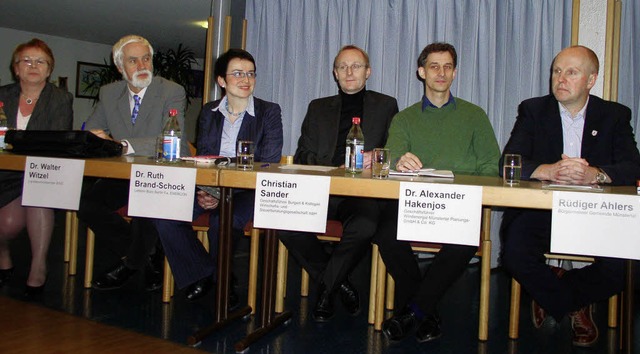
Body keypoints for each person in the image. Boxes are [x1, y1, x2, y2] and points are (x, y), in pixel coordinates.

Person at [500, 45, 640, 347]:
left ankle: (554, 291)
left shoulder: (614, 115)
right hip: (542, 211)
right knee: (513, 253)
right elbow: (509, 162)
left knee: (627, 265)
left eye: (571, 72)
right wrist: (548, 170)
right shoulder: (534, 110)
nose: (560, 79)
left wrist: (596, 174)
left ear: (591, 80)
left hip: (596, 214)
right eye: (556, 71)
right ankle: (574, 304)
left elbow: (632, 166)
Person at [376, 42, 500, 342]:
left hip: (460, 204)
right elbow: (390, 158)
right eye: (434, 66)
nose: (441, 73)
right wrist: (399, 161)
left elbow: (491, 166)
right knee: (385, 235)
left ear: (455, 73)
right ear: (422, 72)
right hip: (415, 203)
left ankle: (413, 311)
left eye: (447, 67)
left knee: (464, 241)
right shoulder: (404, 118)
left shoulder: (475, 116)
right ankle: (425, 312)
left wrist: (468, 192)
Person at [278, 45, 398, 322]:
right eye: (343, 67)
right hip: (321, 188)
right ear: (335, 73)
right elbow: (303, 154)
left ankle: (324, 289)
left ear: (368, 72)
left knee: (366, 225)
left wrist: (374, 157)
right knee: (283, 221)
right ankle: (336, 283)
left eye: (356, 66)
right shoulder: (318, 107)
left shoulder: (386, 105)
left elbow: (391, 151)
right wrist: (333, 168)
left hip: (360, 192)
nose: (349, 71)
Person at [153, 49, 283, 302]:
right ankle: (207, 274)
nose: (245, 79)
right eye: (237, 73)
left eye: (250, 73)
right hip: (209, 185)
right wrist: (208, 189)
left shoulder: (269, 112)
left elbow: (267, 161)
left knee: (220, 221)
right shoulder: (209, 111)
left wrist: (222, 190)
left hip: (248, 190)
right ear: (222, 81)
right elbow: (204, 156)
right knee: (165, 215)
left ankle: (220, 282)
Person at [78, 34, 188, 292]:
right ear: (120, 67)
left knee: (144, 203)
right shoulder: (109, 93)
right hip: (122, 176)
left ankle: (130, 264)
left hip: (160, 177)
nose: (142, 66)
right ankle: (144, 258)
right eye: (133, 60)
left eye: (146, 58)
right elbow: (93, 131)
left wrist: (122, 145)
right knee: (86, 204)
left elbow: (177, 142)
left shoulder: (171, 91)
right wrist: (92, 136)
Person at [0, 38, 73, 297]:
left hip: (42, 171)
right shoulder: (2, 95)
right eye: (27, 61)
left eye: (40, 61)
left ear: (49, 69)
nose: (33, 65)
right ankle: (3, 253)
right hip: (5, 173)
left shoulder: (60, 99)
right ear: (16, 68)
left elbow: (55, 140)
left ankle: (38, 267)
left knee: (40, 200)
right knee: (7, 225)